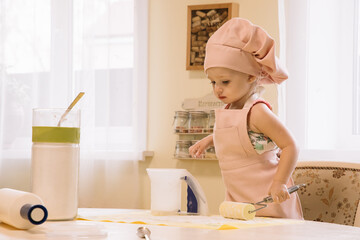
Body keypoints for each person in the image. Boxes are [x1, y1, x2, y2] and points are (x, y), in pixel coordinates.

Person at [189, 18, 303, 219]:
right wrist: (208, 140)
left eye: (225, 81)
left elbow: (290, 145)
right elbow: (235, 137)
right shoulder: (230, 108)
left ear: (251, 76)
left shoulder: (258, 112)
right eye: (213, 82)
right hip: (239, 200)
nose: (218, 89)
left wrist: (280, 182)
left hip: (269, 199)